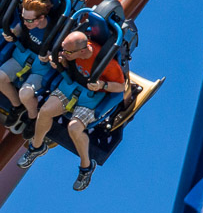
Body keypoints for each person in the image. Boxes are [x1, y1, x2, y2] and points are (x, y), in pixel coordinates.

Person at [16, 30, 128, 191]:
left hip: (91, 96)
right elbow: (68, 61)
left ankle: (86, 166)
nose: (64, 53)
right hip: (72, 85)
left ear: (83, 51)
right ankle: (37, 146)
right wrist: (60, 61)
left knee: (74, 128)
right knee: (45, 111)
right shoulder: (71, 52)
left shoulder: (106, 63)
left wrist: (103, 85)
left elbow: (120, 86)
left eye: (68, 52)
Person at [0, 0, 55, 127]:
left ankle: (33, 118)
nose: (26, 22)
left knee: (25, 94)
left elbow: (58, 55)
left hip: (41, 66)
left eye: (30, 20)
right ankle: (17, 107)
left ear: (41, 18)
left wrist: (51, 58)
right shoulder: (26, 21)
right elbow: (19, 29)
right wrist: (12, 33)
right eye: (24, 18)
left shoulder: (53, 30)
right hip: (23, 55)